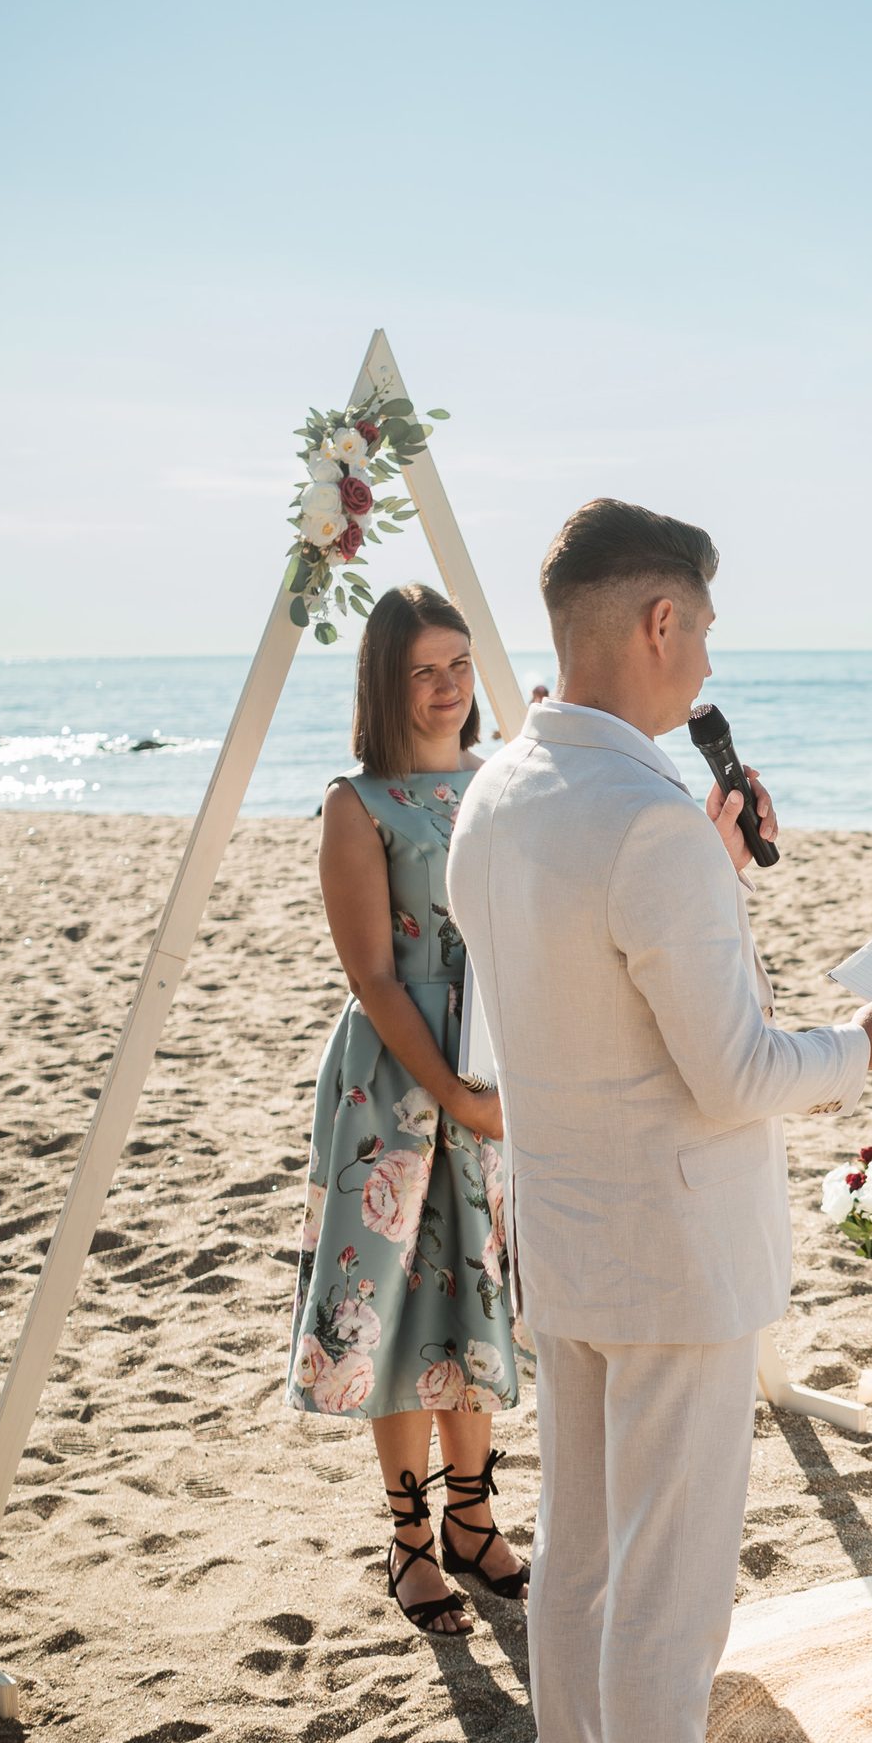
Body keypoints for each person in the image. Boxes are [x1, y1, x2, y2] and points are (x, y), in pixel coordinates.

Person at [447, 499, 872, 1743]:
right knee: (668, 1589)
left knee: (583, 1561)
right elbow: (732, 1075)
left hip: (566, 1241)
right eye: (704, 626)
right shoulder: (645, 820)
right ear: (658, 622)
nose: (707, 655)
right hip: (674, 1253)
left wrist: (711, 868)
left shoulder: (500, 793)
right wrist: (867, 1047)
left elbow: (580, 1016)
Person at [287, 581, 526, 1640]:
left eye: (460, 665)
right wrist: (457, 1099)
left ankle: (475, 1516)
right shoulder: (358, 803)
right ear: (386, 679)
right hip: (395, 1078)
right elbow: (377, 979)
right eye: (424, 669)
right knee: (391, 1307)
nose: (447, 688)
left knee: (469, 1293)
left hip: (493, 1057)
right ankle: (410, 1537)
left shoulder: (502, 784)